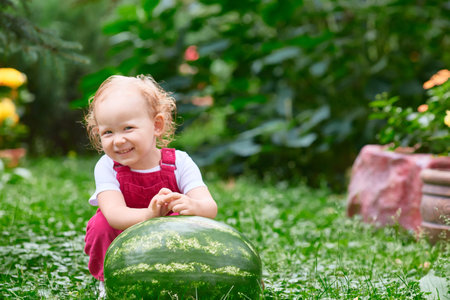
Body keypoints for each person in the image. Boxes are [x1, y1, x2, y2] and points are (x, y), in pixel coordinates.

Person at [83, 75, 217, 296]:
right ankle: (110, 280)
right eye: (108, 132)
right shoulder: (106, 166)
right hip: (124, 229)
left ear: (156, 125)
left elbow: (209, 207)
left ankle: (174, 278)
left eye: (128, 128)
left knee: (186, 225)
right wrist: (149, 215)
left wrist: (192, 205)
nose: (117, 140)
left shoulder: (180, 163)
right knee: (101, 224)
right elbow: (115, 214)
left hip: (168, 233)